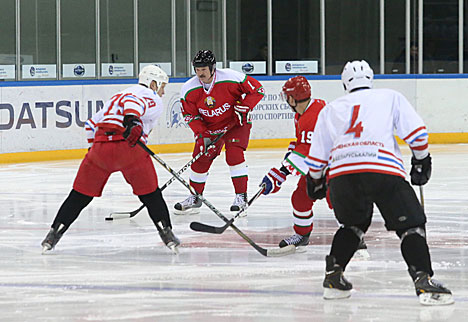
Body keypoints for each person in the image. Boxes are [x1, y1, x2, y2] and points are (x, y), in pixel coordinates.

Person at [305, 60, 453, 305]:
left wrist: (316, 181)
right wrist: (421, 161)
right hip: (382, 169)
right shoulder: (389, 96)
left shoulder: (331, 108)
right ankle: (423, 281)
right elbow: (416, 134)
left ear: (344, 83)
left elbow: (318, 156)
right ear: (371, 79)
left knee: (352, 225)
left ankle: (333, 277)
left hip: (342, 174)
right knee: (412, 226)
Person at [41, 65, 181, 253]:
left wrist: (94, 152)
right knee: (151, 195)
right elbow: (133, 102)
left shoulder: (115, 97)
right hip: (130, 150)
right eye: (162, 86)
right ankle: (167, 233)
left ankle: (53, 234)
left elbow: (91, 125)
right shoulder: (150, 96)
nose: (163, 92)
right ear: (153, 83)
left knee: (80, 196)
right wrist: (132, 120)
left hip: (100, 148)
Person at [174, 49, 264, 214]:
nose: (200, 73)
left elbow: (257, 90)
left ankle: (241, 197)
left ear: (212, 68)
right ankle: (195, 197)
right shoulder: (189, 88)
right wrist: (202, 135)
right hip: (211, 129)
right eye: (197, 70)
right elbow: (190, 115)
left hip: (235, 123)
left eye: (203, 69)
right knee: (200, 158)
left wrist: (245, 107)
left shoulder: (230, 77)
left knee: (234, 154)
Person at [259, 76, 326, 249]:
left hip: (334, 166)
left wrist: (281, 173)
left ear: (292, 97)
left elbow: (308, 152)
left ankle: (353, 234)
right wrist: (290, 155)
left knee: (338, 200)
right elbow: (302, 145)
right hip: (318, 165)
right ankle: (302, 234)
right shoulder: (303, 113)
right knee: (300, 197)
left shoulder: (313, 117)